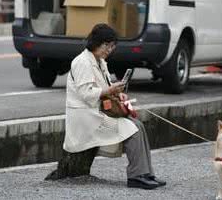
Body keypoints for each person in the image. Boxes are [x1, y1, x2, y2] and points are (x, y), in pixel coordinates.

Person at [63, 24, 166, 190]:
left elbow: (105, 87)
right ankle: (136, 176)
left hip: (96, 111)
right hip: (86, 117)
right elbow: (87, 94)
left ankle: (146, 173)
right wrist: (111, 90)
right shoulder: (82, 62)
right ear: (96, 43)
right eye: (107, 45)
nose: (109, 50)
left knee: (137, 125)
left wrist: (118, 94)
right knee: (132, 129)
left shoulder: (100, 61)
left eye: (111, 46)